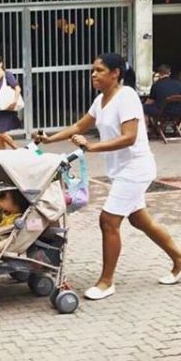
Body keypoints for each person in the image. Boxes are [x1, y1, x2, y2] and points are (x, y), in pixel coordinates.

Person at [33, 53, 181, 300]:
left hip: (136, 168)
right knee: (139, 221)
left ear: (115, 73)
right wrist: (50, 139)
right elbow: (79, 127)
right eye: (93, 70)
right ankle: (179, 259)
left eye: (99, 70)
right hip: (121, 171)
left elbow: (129, 137)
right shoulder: (100, 100)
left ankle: (106, 282)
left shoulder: (127, 97)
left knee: (108, 221)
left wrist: (91, 148)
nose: (94, 74)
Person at [0, 55, 22, 149]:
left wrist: (15, 101)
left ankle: (19, 150)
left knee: (1, 133)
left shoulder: (7, 75)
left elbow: (17, 88)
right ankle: (2, 155)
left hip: (7, 108)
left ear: (1, 63)